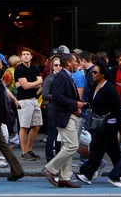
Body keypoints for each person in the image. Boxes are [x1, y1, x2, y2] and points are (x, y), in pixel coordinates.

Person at [77, 62, 121, 184]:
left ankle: (87, 173)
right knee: (114, 151)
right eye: (92, 72)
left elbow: (116, 108)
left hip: (109, 124)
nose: (92, 74)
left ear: (103, 74)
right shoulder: (94, 86)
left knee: (97, 149)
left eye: (95, 72)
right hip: (98, 123)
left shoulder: (110, 88)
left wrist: (120, 127)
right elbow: (93, 104)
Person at [41, 53, 85, 189]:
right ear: (68, 63)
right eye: (75, 61)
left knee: (68, 145)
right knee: (72, 145)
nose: (78, 64)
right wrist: (75, 104)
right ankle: (50, 168)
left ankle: (64, 178)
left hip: (68, 114)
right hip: (63, 116)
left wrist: (75, 106)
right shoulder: (61, 76)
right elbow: (58, 97)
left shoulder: (67, 76)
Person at [14, 48, 43, 161]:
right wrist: (35, 84)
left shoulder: (35, 68)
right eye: (23, 54)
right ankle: (24, 152)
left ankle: (29, 149)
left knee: (37, 125)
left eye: (28, 54)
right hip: (24, 100)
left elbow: (41, 83)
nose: (25, 56)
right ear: (21, 57)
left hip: (34, 99)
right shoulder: (19, 69)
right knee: (24, 126)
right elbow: (26, 86)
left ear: (31, 56)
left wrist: (33, 85)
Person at [42, 56, 62, 162]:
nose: (58, 67)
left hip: (62, 109)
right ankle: (49, 157)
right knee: (52, 133)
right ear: (52, 67)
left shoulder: (64, 77)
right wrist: (57, 97)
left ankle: (58, 156)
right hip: (52, 108)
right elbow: (45, 95)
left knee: (60, 134)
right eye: (56, 65)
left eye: (60, 65)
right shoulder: (49, 79)